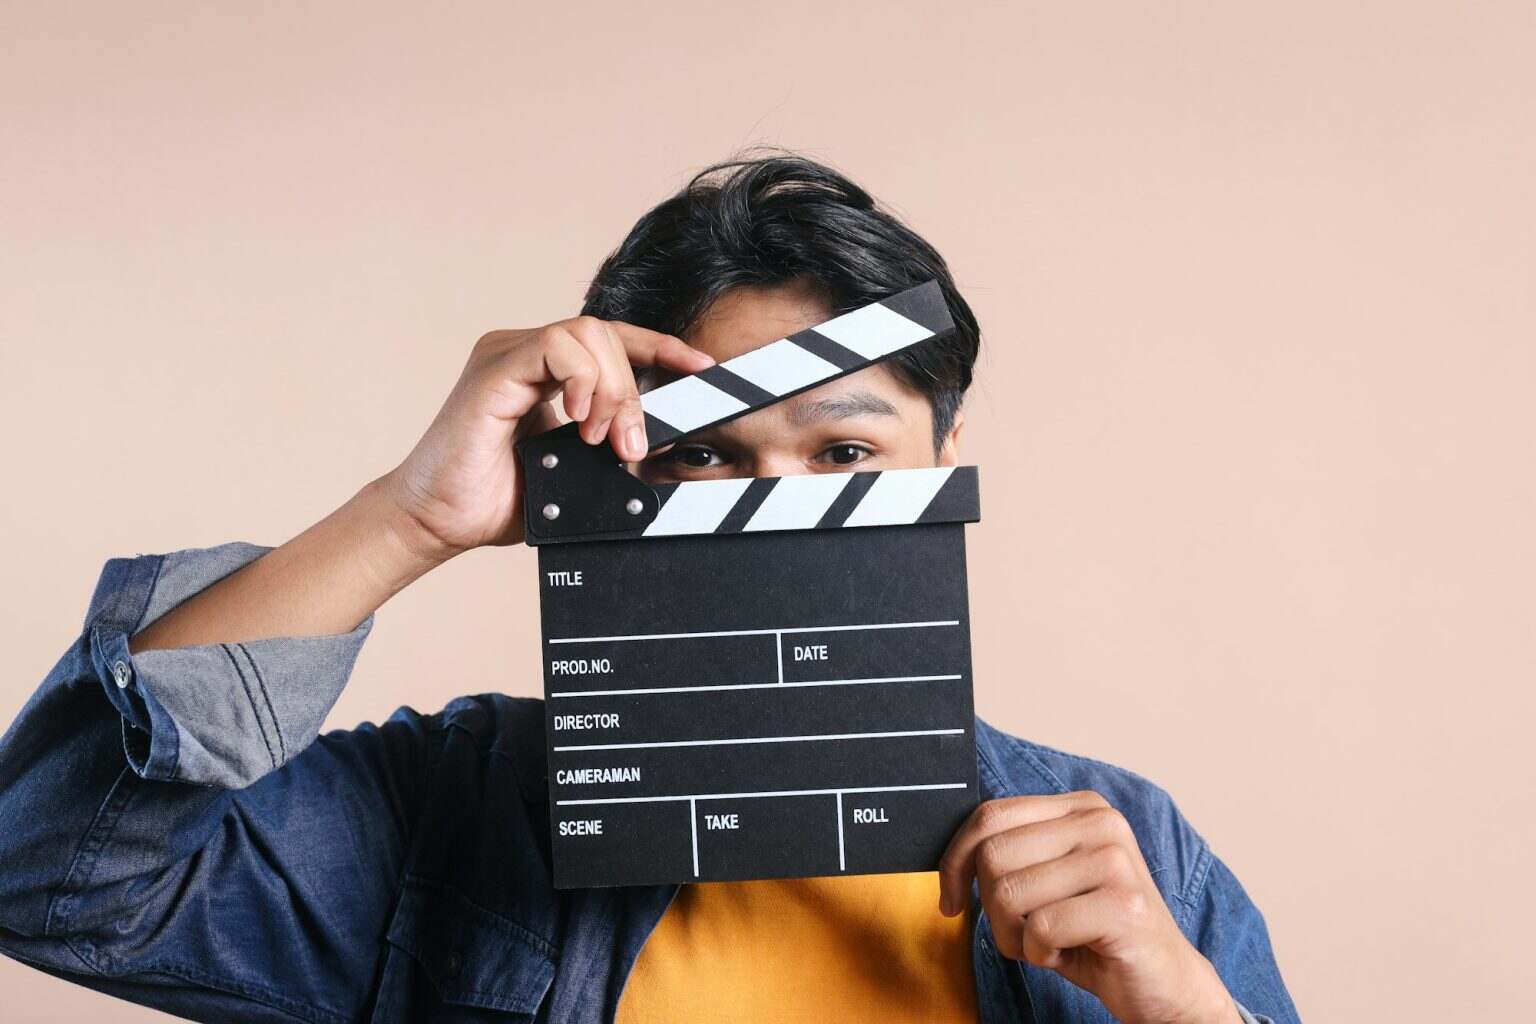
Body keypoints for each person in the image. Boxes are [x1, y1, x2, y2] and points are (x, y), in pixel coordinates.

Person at [0, 153, 1299, 1024]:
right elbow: (50, 867)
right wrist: (407, 518)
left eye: (845, 454)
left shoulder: (1132, 861)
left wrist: (1188, 1006)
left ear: (941, 470)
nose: (774, 509)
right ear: (616, 475)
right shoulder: (458, 815)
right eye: (701, 456)